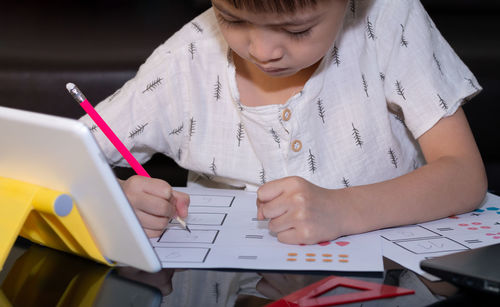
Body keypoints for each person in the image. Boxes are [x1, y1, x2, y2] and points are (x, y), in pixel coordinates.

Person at [80, 0, 487, 244]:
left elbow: (465, 176)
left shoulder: (388, 19)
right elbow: (56, 161)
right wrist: (113, 199)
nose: (261, 50)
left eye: (296, 29)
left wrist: (342, 210)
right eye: (232, 18)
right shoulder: (186, 61)